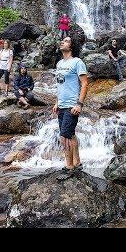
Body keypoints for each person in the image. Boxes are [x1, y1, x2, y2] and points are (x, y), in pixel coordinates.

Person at [53, 36, 88, 180]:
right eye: (62, 41)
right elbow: (60, 85)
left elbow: (85, 84)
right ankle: (77, 162)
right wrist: (56, 102)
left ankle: (69, 167)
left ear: (72, 46)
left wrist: (79, 104)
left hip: (72, 105)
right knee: (70, 133)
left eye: (66, 41)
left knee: (64, 136)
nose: (62, 42)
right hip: (62, 105)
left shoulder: (77, 62)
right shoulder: (59, 63)